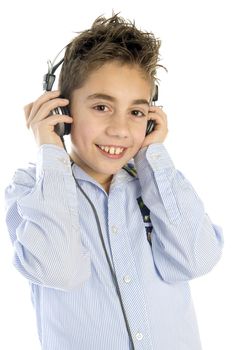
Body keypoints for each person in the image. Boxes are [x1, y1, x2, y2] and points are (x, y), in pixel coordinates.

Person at [5, 13, 224, 350]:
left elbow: (197, 258)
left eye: (136, 112)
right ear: (60, 109)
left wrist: (154, 157)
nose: (121, 130)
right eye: (102, 107)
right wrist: (50, 147)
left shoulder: (156, 184)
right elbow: (59, 269)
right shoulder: (32, 190)